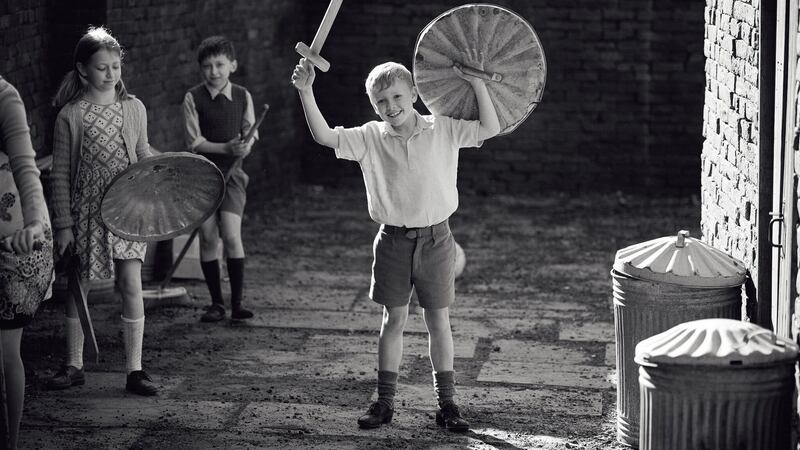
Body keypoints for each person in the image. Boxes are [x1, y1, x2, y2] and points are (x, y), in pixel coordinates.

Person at [290, 57, 501, 432]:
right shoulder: (370, 137)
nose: (391, 106)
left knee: (438, 320)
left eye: (398, 96)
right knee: (394, 319)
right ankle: (384, 402)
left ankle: (447, 405)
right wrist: (306, 91)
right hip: (392, 241)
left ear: (414, 94)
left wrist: (477, 83)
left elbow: (490, 127)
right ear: (374, 105)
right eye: (382, 101)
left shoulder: (442, 128)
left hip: (437, 239)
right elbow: (324, 136)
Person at [46, 26, 158, 396]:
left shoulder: (134, 108)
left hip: (127, 208)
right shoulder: (70, 115)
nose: (110, 74)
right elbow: (59, 174)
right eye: (101, 67)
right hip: (87, 211)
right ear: (82, 69)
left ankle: (135, 370)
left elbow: (142, 154)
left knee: (131, 283)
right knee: (79, 286)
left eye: (115, 66)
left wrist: (156, 182)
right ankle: (73, 364)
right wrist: (63, 225)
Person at [182, 35, 256, 323]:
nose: (214, 71)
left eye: (220, 64)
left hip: (233, 175)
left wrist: (244, 146)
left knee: (232, 236)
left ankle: (237, 304)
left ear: (232, 65)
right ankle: (216, 304)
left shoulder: (243, 95)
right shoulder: (193, 98)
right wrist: (225, 147)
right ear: (201, 68)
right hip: (202, 177)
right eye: (207, 66)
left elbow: (250, 133)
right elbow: (194, 142)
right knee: (208, 237)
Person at [0, 75, 54, 450]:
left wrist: (34, 223)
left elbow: (26, 167)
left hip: (17, 236)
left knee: (4, 352)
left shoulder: (5, 97)